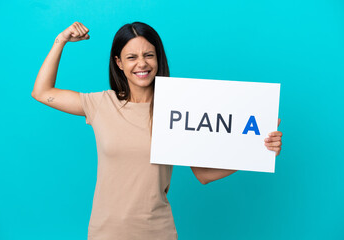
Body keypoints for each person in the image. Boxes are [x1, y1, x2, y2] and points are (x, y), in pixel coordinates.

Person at [31, 21, 283, 240]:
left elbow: (204, 174)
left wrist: (258, 150)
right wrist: (60, 40)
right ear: (118, 63)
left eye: (148, 55)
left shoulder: (178, 110)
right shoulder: (100, 104)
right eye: (131, 57)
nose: (142, 64)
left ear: (158, 58)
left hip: (157, 232)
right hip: (106, 233)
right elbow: (42, 92)